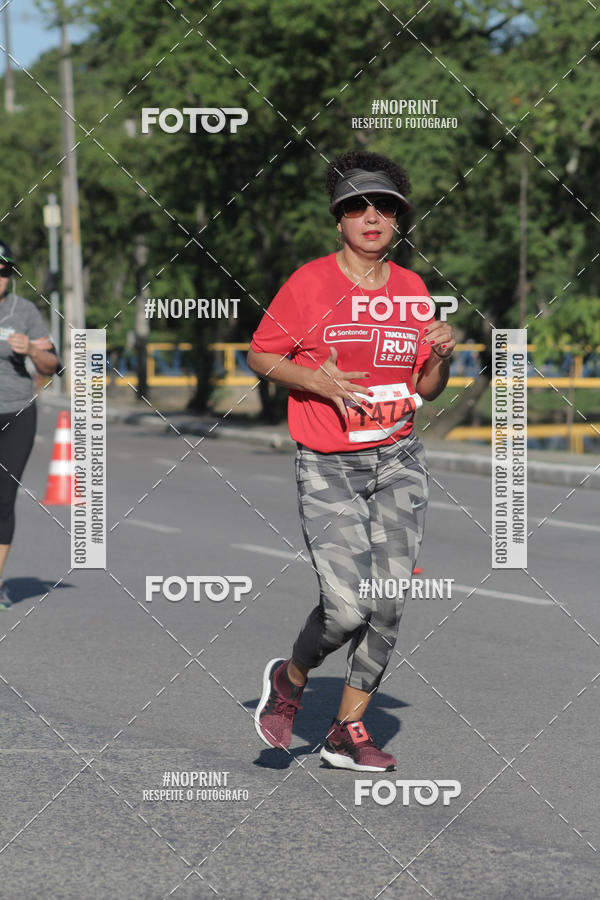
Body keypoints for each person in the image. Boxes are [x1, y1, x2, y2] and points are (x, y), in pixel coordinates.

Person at [248, 150, 456, 772]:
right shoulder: (309, 284)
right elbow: (261, 356)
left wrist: (442, 353)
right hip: (328, 462)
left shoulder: (413, 289)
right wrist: (319, 380)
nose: (372, 216)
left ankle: (348, 728)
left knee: (387, 601)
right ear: (338, 219)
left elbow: (426, 389)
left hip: (398, 457)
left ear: (398, 219)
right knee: (345, 609)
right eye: (357, 206)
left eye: (385, 206)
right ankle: (290, 677)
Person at [0, 241, 60, 609]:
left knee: (3, 501)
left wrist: (33, 351)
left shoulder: (25, 312)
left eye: (4, 271)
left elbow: (51, 364)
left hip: (17, 413)